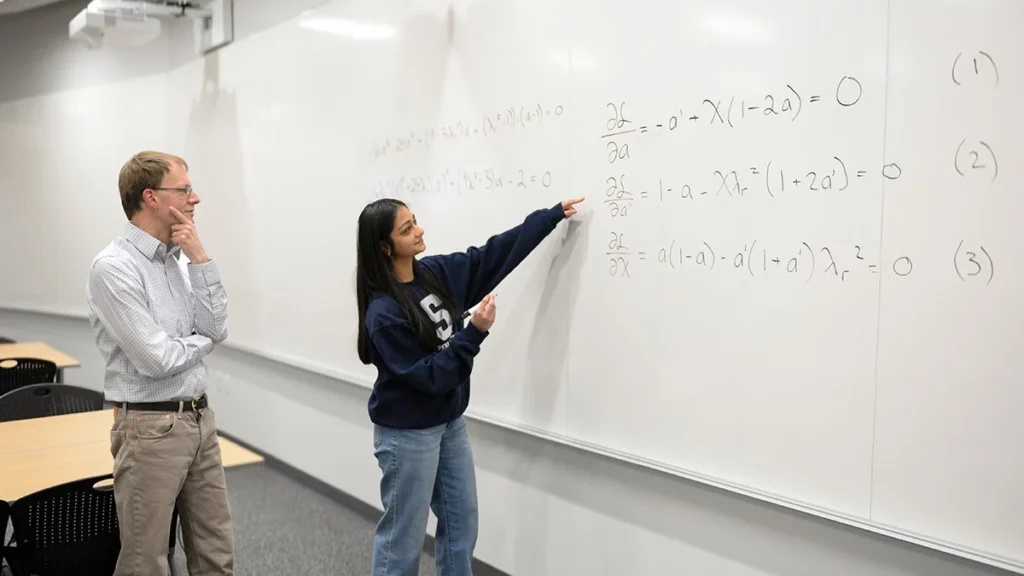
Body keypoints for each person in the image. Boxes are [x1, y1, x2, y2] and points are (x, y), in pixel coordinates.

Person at [356, 196, 584, 575]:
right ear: (384, 247)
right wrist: (474, 333)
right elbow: (432, 376)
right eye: (407, 229)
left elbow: (490, 257)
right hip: (408, 435)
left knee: (461, 525)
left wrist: (549, 217)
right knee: (403, 539)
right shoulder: (384, 314)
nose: (419, 230)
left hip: (448, 423)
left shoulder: (434, 273)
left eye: (415, 221)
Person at [86, 150, 234, 575]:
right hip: (149, 428)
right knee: (145, 561)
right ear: (151, 197)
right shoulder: (114, 267)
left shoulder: (179, 260)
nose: (195, 198)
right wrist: (202, 341)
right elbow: (156, 358)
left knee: (216, 552)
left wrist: (201, 259)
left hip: (199, 418)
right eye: (184, 189)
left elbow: (216, 327)